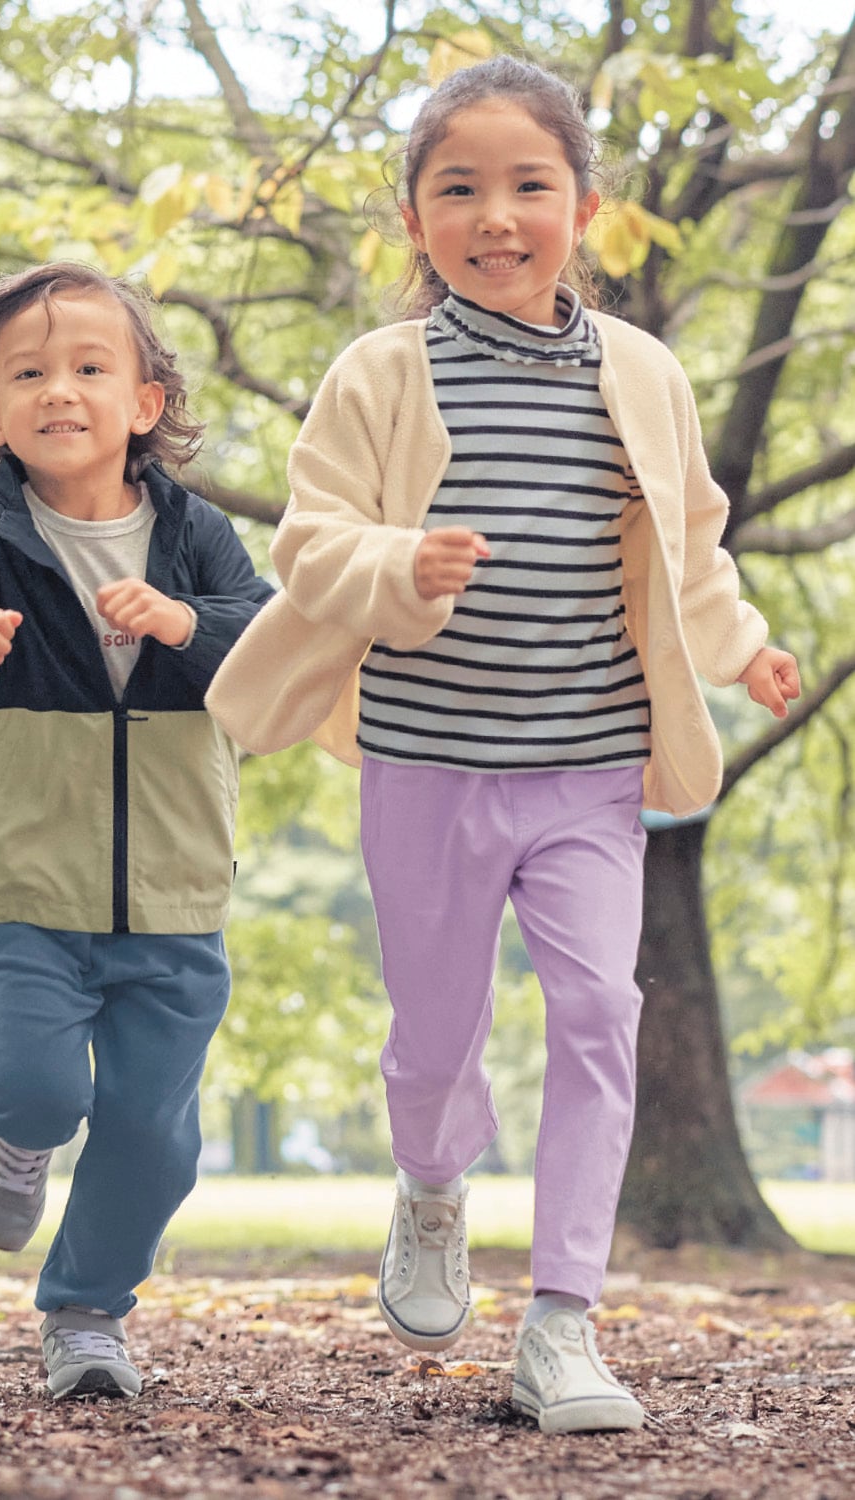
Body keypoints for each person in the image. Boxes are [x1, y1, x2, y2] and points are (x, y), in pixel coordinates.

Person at [205, 56, 801, 1436]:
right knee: (434, 1037)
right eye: (458, 189)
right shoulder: (382, 371)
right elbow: (309, 539)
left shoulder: (641, 374)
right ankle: (429, 1186)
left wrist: (743, 645)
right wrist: (399, 563)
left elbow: (689, 546)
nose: (497, 215)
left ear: (582, 207)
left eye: (529, 186)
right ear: (415, 220)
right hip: (425, 765)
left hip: (592, 769)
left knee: (602, 1015)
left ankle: (564, 1323)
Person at [0, 263, 273, 1400]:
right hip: (26, 869)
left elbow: (265, 639)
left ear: (146, 400)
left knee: (157, 1133)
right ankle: (11, 1139)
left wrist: (186, 622)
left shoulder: (196, 534)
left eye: (91, 367)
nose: (62, 389)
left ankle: (89, 1311)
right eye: (30, 373)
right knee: (37, 1082)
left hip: (175, 878)